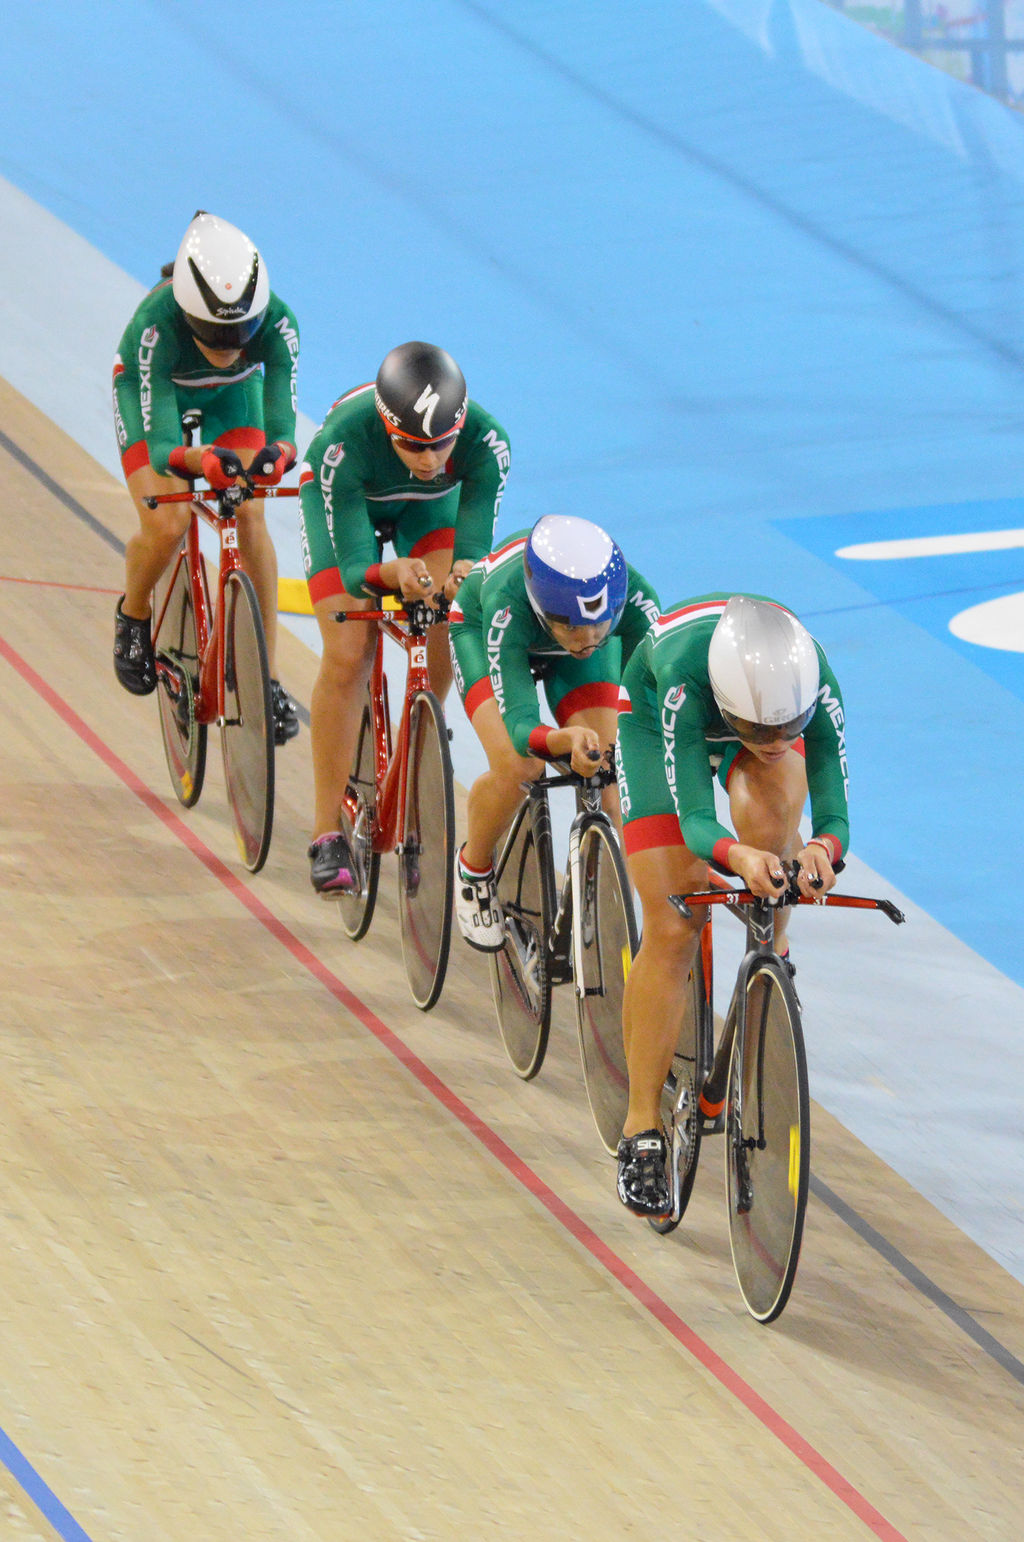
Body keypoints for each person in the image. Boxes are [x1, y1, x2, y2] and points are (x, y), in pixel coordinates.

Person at [613, 593, 849, 1217]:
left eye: (788, 729)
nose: (776, 742)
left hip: (741, 712)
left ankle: (770, 947)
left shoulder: (813, 683)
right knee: (675, 922)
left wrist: (820, 849)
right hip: (655, 728)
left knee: (778, 817)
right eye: (761, 730)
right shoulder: (685, 678)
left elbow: (835, 811)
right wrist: (736, 858)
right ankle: (641, 1127)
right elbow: (693, 818)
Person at [299, 341, 511, 895]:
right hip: (348, 510)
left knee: (447, 607)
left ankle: (419, 735)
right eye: (414, 446)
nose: (431, 458)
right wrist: (391, 576)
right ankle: (326, 833)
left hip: (426, 512)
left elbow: (473, 556)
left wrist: (458, 574)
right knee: (350, 651)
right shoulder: (339, 445)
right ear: (387, 426)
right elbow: (354, 572)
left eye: (443, 443)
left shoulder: (487, 445)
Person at [112, 210, 301, 744]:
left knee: (251, 511)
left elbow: (284, 426)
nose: (231, 342)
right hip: (157, 394)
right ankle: (133, 613)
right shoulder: (154, 325)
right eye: (216, 331)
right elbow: (168, 448)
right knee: (169, 521)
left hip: (230, 396)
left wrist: (277, 455)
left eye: (244, 329)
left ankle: (267, 677)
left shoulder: (281, 324)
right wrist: (205, 463)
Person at [447, 514, 660, 950]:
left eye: (601, 624)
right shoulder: (508, 602)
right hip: (483, 630)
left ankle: (602, 898)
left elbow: (648, 701)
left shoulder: (636, 603)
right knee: (520, 764)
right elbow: (523, 725)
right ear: (544, 609)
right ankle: (474, 868)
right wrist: (561, 741)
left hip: (564, 657)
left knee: (612, 774)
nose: (588, 638)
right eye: (573, 627)